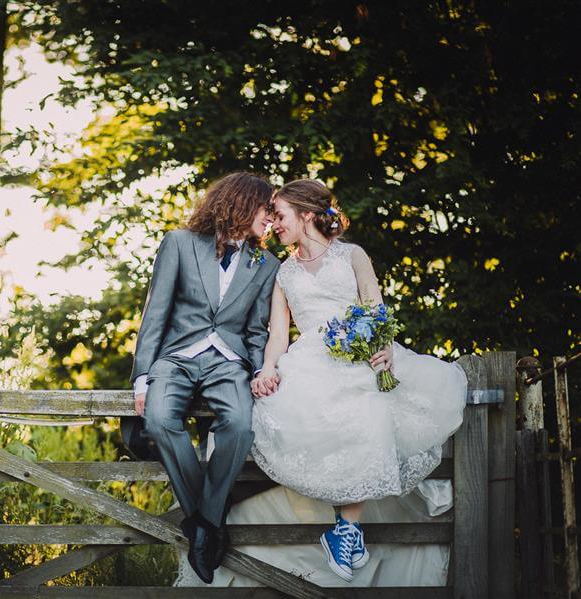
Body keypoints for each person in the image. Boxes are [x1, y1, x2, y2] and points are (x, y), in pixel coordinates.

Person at [245, 178, 467, 582]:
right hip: (311, 358)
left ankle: (345, 530)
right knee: (317, 420)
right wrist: (268, 369)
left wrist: (383, 348)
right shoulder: (283, 273)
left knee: (369, 410)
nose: (273, 223)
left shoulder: (353, 256)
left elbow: (375, 308)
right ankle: (347, 530)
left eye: (279, 215)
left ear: (306, 215)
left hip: (361, 353)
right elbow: (278, 334)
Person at [129, 171, 280, 583]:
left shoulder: (265, 263)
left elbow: (256, 329)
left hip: (229, 362)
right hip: (176, 358)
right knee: (159, 421)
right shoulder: (179, 243)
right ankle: (208, 520)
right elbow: (155, 313)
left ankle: (202, 523)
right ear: (243, 202)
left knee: (241, 425)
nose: (271, 220)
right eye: (267, 210)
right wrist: (142, 377)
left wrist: (258, 374)